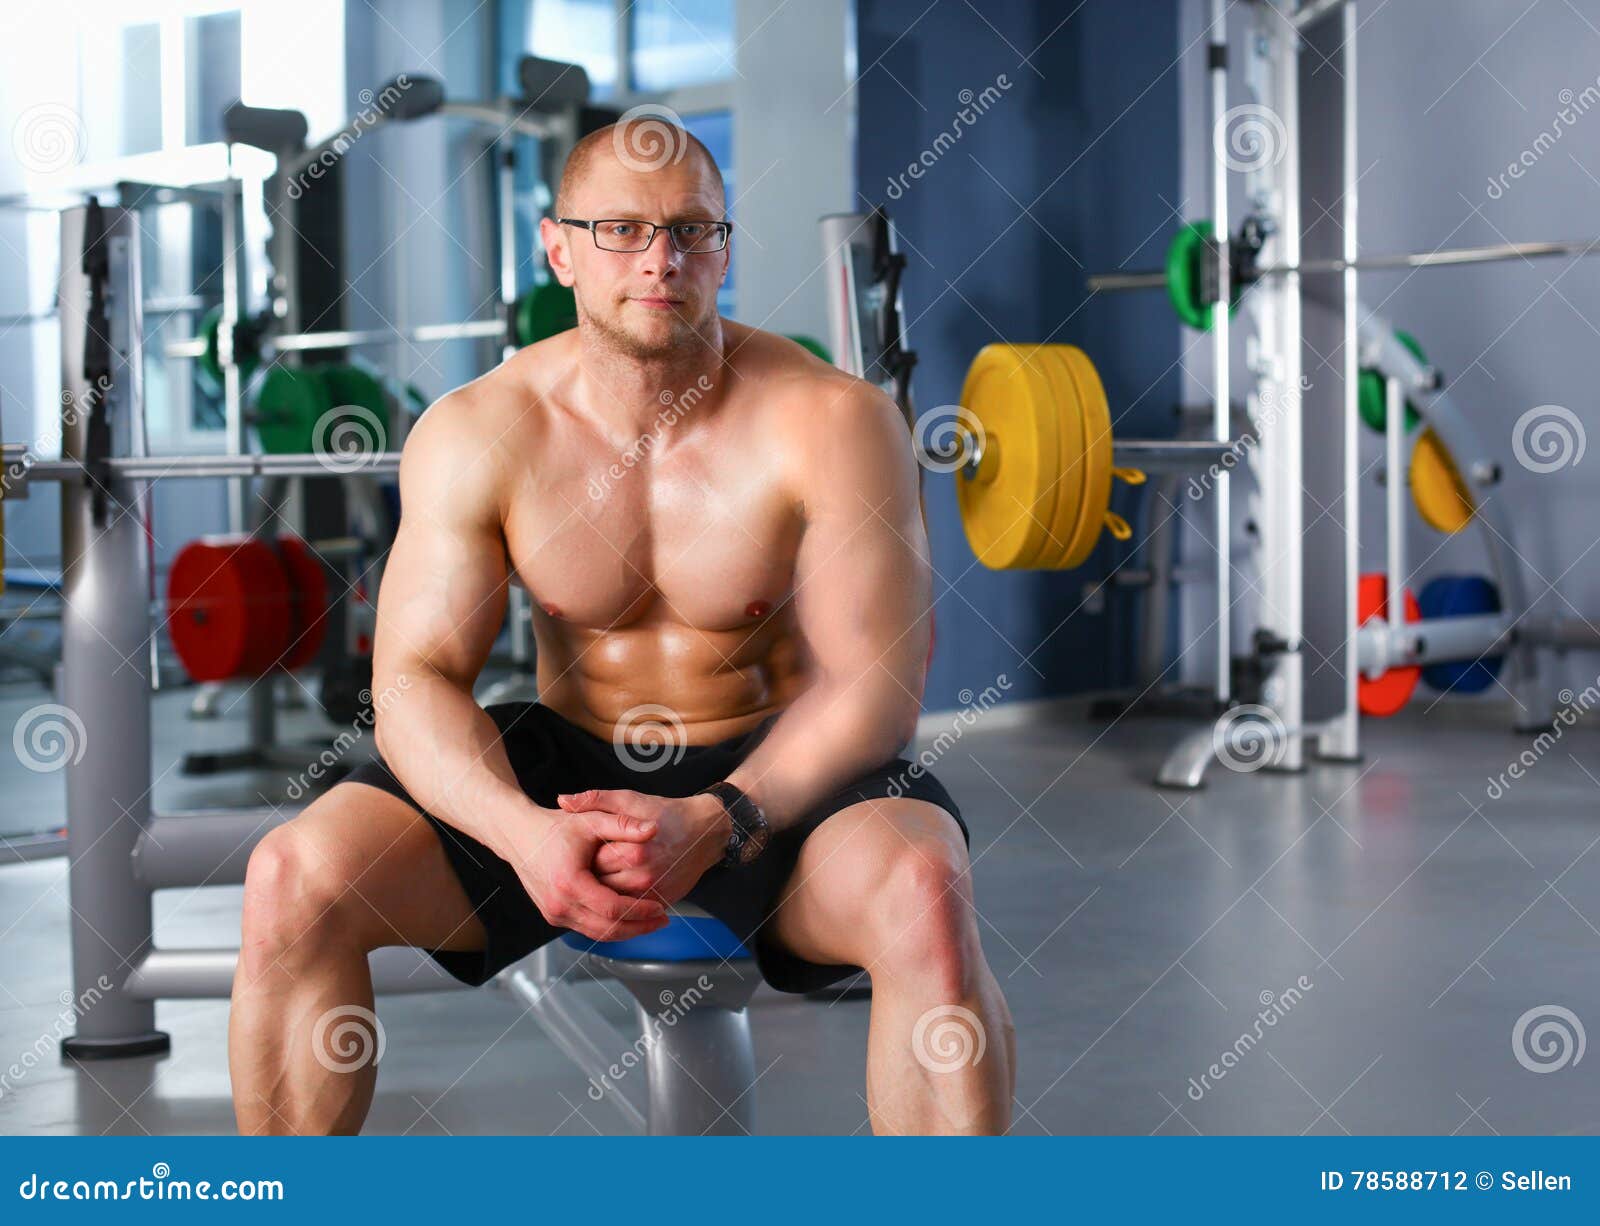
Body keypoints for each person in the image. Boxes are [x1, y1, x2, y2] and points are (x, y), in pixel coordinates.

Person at [229, 116, 1014, 1136]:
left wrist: (723, 813)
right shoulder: (484, 428)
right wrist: (524, 832)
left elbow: (873, 686)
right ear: (557, 246)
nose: (661, 259)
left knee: (925, 894)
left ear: (724, 247)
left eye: (692, 230)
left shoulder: (833, 420)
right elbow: (414, 675)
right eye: (620, 229)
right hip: (568, 770)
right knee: (293, 878)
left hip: (781, 772)